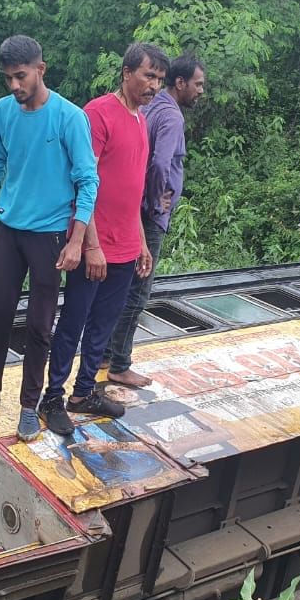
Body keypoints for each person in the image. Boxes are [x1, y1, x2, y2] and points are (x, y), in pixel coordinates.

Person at [0, 36, 98, 442]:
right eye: (8, 78)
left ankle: (28, 407)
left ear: (41, 69)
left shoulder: (69, 117)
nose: (14, 85)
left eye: (21, 76)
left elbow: (88, 181)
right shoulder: (3, 112)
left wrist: (77, 241)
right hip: (10, 230)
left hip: (51, 235)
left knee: (39, 324)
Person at [38, 43, 167, 436]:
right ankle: (53, 398)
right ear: (127, 73)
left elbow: (132, 189)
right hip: (96, 245)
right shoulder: (97, 114)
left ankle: (84, 392)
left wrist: (142, 241)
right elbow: (82, 183)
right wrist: (89, 244)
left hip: (127, 245)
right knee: (74, 322)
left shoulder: (141, 119)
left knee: (104, 325)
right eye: (148, 76)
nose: (154, 86)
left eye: (160, 80)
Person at [105, 53, 206, 388]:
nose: (201, 91)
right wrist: (156, 199)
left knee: (120, 287)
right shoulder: (172, 117)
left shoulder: (151, 108)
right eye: (198, 84)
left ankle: (106, 351)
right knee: (138, 290)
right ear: (181, 83)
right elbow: (161, 162)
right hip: (148, 217)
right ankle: (120, 363)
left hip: (131, 211)